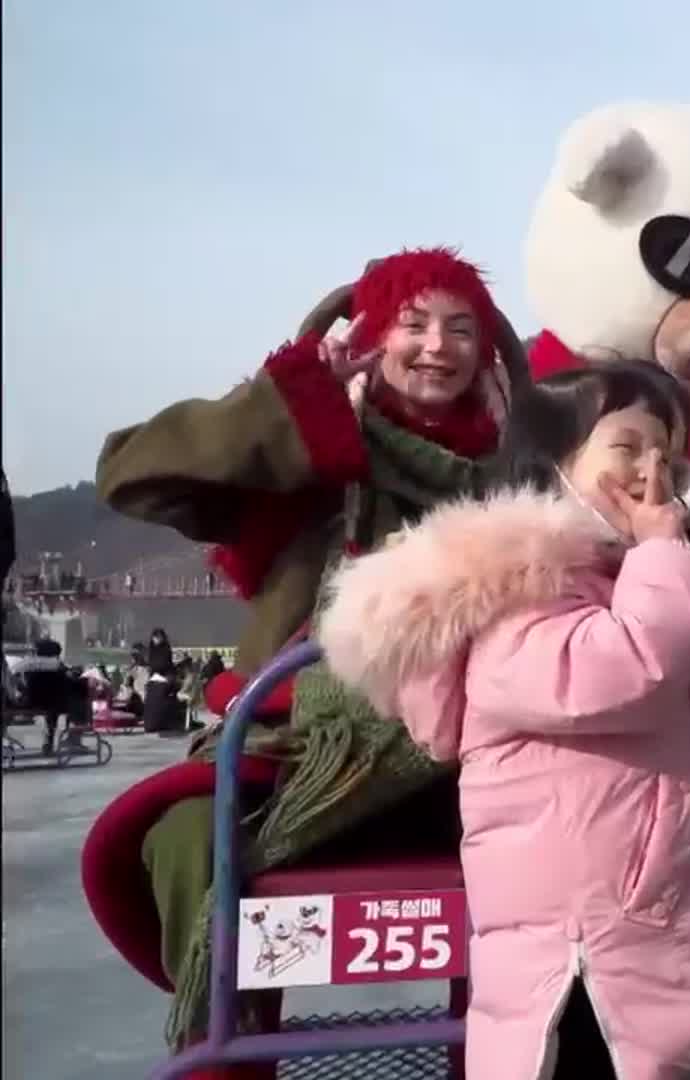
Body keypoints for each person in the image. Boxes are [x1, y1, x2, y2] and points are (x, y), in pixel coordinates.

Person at [85, 248, 521, 1077]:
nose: (438, 346)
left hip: (460, 755)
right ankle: (231, 1049)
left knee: (550, 844)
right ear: (371, 337)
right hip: (302, 753)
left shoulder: (513, 472)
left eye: (461, 328)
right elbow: (129, 474)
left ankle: (498, 1055)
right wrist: (291, 403)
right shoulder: (313, 454)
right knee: (188, 841)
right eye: (413, 324)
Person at [318, 361, 690, 1080]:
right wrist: (665, 549)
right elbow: (619, 669)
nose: (653, 471)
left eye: (666, 454)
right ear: (556, 463)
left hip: (635, 913)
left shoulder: (601, 576)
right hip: (590, 940)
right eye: (628, 447)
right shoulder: (521, 586)